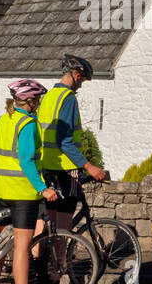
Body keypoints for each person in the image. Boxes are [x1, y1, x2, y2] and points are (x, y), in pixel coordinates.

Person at [0, 78, 59, 284]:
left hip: (0, 191)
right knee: (21, 247)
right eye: (37, 99)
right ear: (29, 100)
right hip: (22, 195)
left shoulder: (3, 120)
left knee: (0, 247)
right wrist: (42, 188)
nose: (38, 103)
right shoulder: (27, 124)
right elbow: (26, 160)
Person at [37, 55, 109, 240]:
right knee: (63, 225)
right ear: (76, 75)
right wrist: (88, 166)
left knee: (50, 224)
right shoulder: (68, 98)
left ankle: (45, 265)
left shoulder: (48, 96)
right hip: (66, 169)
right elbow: (64, 141)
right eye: (82, 81)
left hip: (46, 166)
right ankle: (61, 267)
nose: (81, 85)